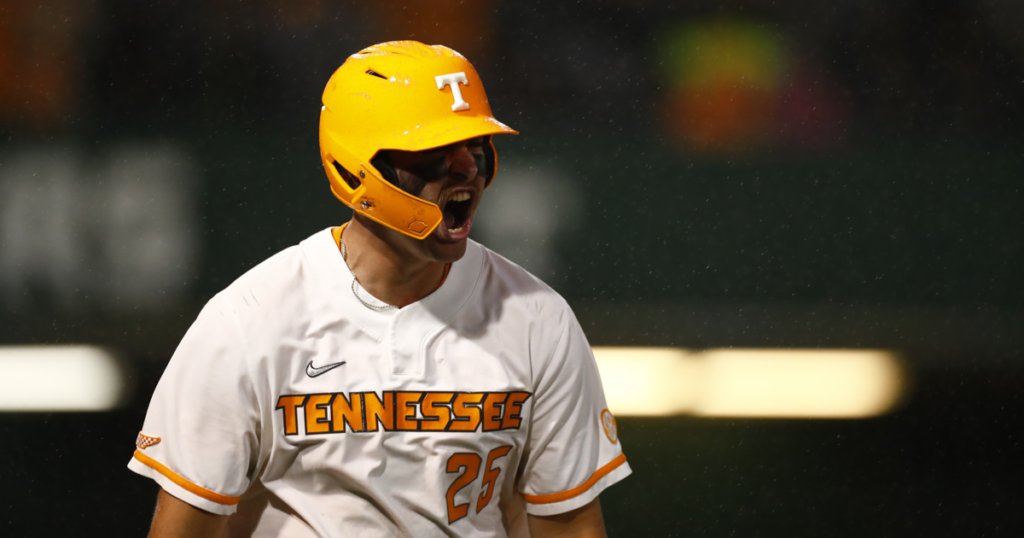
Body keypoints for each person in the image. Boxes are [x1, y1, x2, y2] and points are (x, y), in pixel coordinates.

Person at [128, 41, 630, 538]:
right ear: (356, 167)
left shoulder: (538, 320)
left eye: (475, 146)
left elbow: (571, 530)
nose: (468, 169)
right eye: (434, 151)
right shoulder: (247, 321)